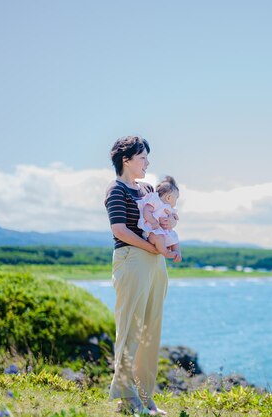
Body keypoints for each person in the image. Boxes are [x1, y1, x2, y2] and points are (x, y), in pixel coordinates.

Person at [104, 135, 176, 416]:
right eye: (143, 157)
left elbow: (163, 214)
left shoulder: (147, 188)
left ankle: (145, 397)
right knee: (130, 330)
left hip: (155, 264)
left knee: (150, 331)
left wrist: (169, 220)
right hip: (132, 260)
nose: (147, 162)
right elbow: (119, 230)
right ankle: (126, 397)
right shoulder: (116, 190)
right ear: (126, 160)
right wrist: (151, 248)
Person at [137, 176, 182, 262]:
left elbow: (174, 217)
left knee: (174, 236)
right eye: (176, 199)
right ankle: (166, 253)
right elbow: (146, 211)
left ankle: (177, 253)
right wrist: (153, 222)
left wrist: (174, 218)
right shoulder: (155, 201)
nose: (176, 202)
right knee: (159, 238)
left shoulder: (169, 207)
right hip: (153, 232)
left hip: (164, 231)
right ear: (169, 197)